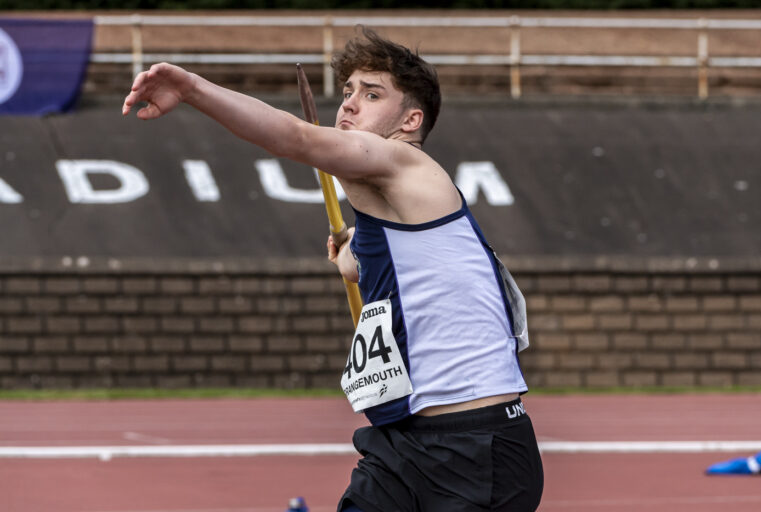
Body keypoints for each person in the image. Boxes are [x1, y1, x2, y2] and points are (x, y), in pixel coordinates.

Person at [123, 26, 543, 512]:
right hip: (400, 444)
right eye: (347, 92)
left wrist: (193, 88)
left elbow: (294, 136)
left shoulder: (403, 161)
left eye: (371, 94)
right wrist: (355, 261)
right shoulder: (390, 211)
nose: (348, 104)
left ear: (411, 120)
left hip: (476, 450)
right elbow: (414, 278)